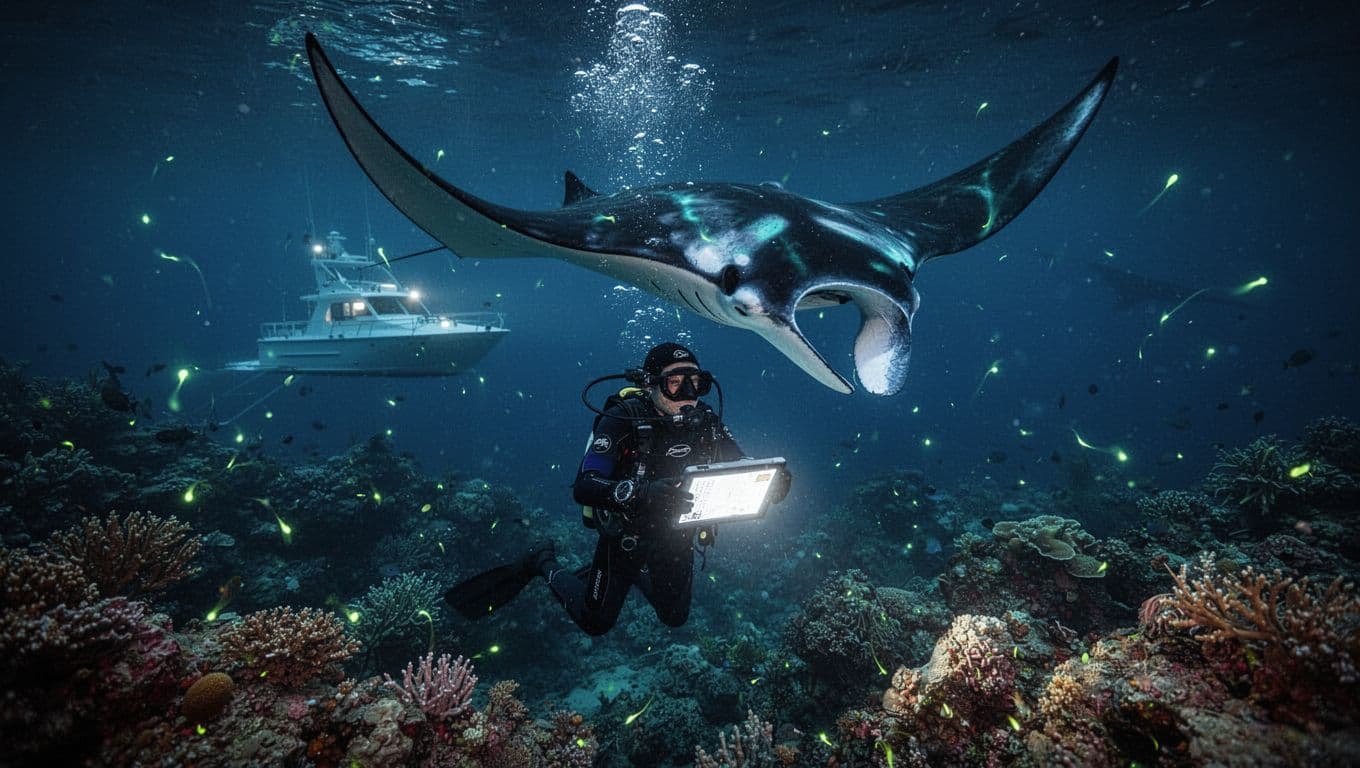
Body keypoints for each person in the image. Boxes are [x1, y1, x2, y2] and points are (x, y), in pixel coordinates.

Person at [444, 342, 790, 635]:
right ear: (652, 385)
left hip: (676, 535)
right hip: (626, 536)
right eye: (675, 384)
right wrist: (639, 493)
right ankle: (542, 561)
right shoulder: (622, 419)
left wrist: (770, 484)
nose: (688, 395)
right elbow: (585, 486)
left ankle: (633, 574)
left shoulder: (706, 423)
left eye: (696, 384)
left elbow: (739, 465)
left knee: (674, 618)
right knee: (595, 622)